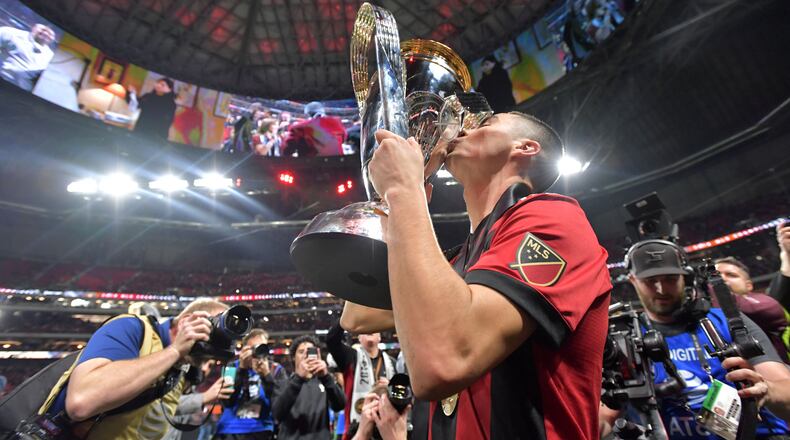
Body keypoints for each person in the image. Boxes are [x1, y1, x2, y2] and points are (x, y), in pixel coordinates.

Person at [341, 112, 613, 439]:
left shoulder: (555, 220)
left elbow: (445, 362)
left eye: (484, 124)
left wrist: (404, 191)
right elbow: (357, 315)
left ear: (525, 148)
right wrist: (389, 203)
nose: (463, 129)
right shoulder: (461, 258)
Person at [599, 240, 790, 439]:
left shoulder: (726, 322)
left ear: (686, 277)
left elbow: (785, 390)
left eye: (670, 279)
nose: (661, 289)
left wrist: (767, 390)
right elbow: (604, 418)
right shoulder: (623, 338)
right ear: (633, 280)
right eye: (650, 280)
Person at [45, 298, 229, 439]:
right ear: (186, 323)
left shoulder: (180, 368)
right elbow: (81, 402)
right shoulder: (132, 328)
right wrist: (174, 351)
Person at [715, 256, 790, 364]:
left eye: (731, 275)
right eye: (716, 275)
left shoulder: (764, 302)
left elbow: (766, 311)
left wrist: (715, 289)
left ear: (748, 285)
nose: (721, 278)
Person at [214, 328, 286, 440]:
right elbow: (227, 402)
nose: (257, 352)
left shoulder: (275, 369)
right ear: (244, 349)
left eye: (261, 347)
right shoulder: (232, 367)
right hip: (231, 429)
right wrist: (241, 369)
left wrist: (266, 375)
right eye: (253, 348)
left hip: (262, 429)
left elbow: (282, 403)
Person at [327, 323, 395, 439]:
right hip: (357, 428)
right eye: (365, 329)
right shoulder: (349, 357)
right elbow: (332, 341)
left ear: (379, 337)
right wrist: (346, 319)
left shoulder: (391, 363)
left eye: (374, 328)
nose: (370, 330)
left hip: (386, 427)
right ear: (359, 337)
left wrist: (390, 388)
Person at [271, 335, 346, 440]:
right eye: (301, 352)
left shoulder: (325, 382)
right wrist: (299, 379)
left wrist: (325, 377)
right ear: (293, 357)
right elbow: (277, 415)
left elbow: (340, 405)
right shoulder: (283, 383)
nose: (305, 356)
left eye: (310, 352)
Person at [0, 23, 55, 91]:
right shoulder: (10, 33)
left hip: (22, 93)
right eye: (43, 30)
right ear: (34, 27)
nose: (46, 34)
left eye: (50, 34)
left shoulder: (51, 57)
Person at [281, 101, 347, 157]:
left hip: (311, 165)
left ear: (307, 114)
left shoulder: (298, 127)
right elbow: (343, 138)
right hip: (338, 163)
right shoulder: (337, 123)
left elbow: (287, 151)